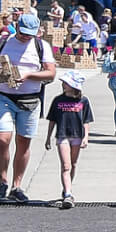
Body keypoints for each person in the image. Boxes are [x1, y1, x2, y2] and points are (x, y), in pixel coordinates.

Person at [0, 9, 58, 203]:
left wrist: (29, 75)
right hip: (3, 96)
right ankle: (3, 181)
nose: (24, 37)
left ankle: (17, 185)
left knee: (23, 143)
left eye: (29, 35)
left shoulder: (41, 46)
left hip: (29, 100)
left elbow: (51, 73)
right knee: (3, 139)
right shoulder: (2, 42)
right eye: (22, 33)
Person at [44, 71, 94, 209]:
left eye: (66, 83)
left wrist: (86, 137)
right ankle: (68, 194)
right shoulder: (58, 100)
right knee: (66, 166)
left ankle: (68, 188)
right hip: (62, 135)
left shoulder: (83, 101)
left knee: (73, 164)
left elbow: (86, 120)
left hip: (77, 135)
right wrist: (48, 137)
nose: (63, 85)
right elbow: (52, 120)